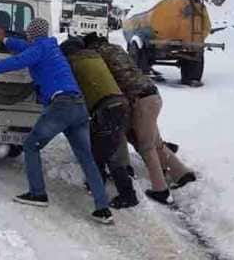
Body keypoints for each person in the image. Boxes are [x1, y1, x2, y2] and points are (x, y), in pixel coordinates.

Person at [0, 19, 114, 224]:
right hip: (78, 106)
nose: (27, 36)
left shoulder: (39, 49)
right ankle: (103, 208)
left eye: (28, 33)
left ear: (32, 34)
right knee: (86, 157)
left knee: (31, 145)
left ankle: (37, 193)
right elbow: (25, 48)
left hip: (61, 105)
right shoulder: (49, 47)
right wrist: (5, 39)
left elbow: (20, 60)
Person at [83, 33, 196, 205]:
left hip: (139, 100)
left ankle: (161, 191)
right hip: (152, 94)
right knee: (155, 142)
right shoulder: (117, 49)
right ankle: (182, 173)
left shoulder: (98, 56)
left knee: (146, 146)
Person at [59, 37, 138, 209]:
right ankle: (97, 182)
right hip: (119, 103)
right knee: (102, 146)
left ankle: (127, 195)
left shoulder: (73, 63)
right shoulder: (94, 57)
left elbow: (74, 90)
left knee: (104, 152)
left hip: (106, 107)